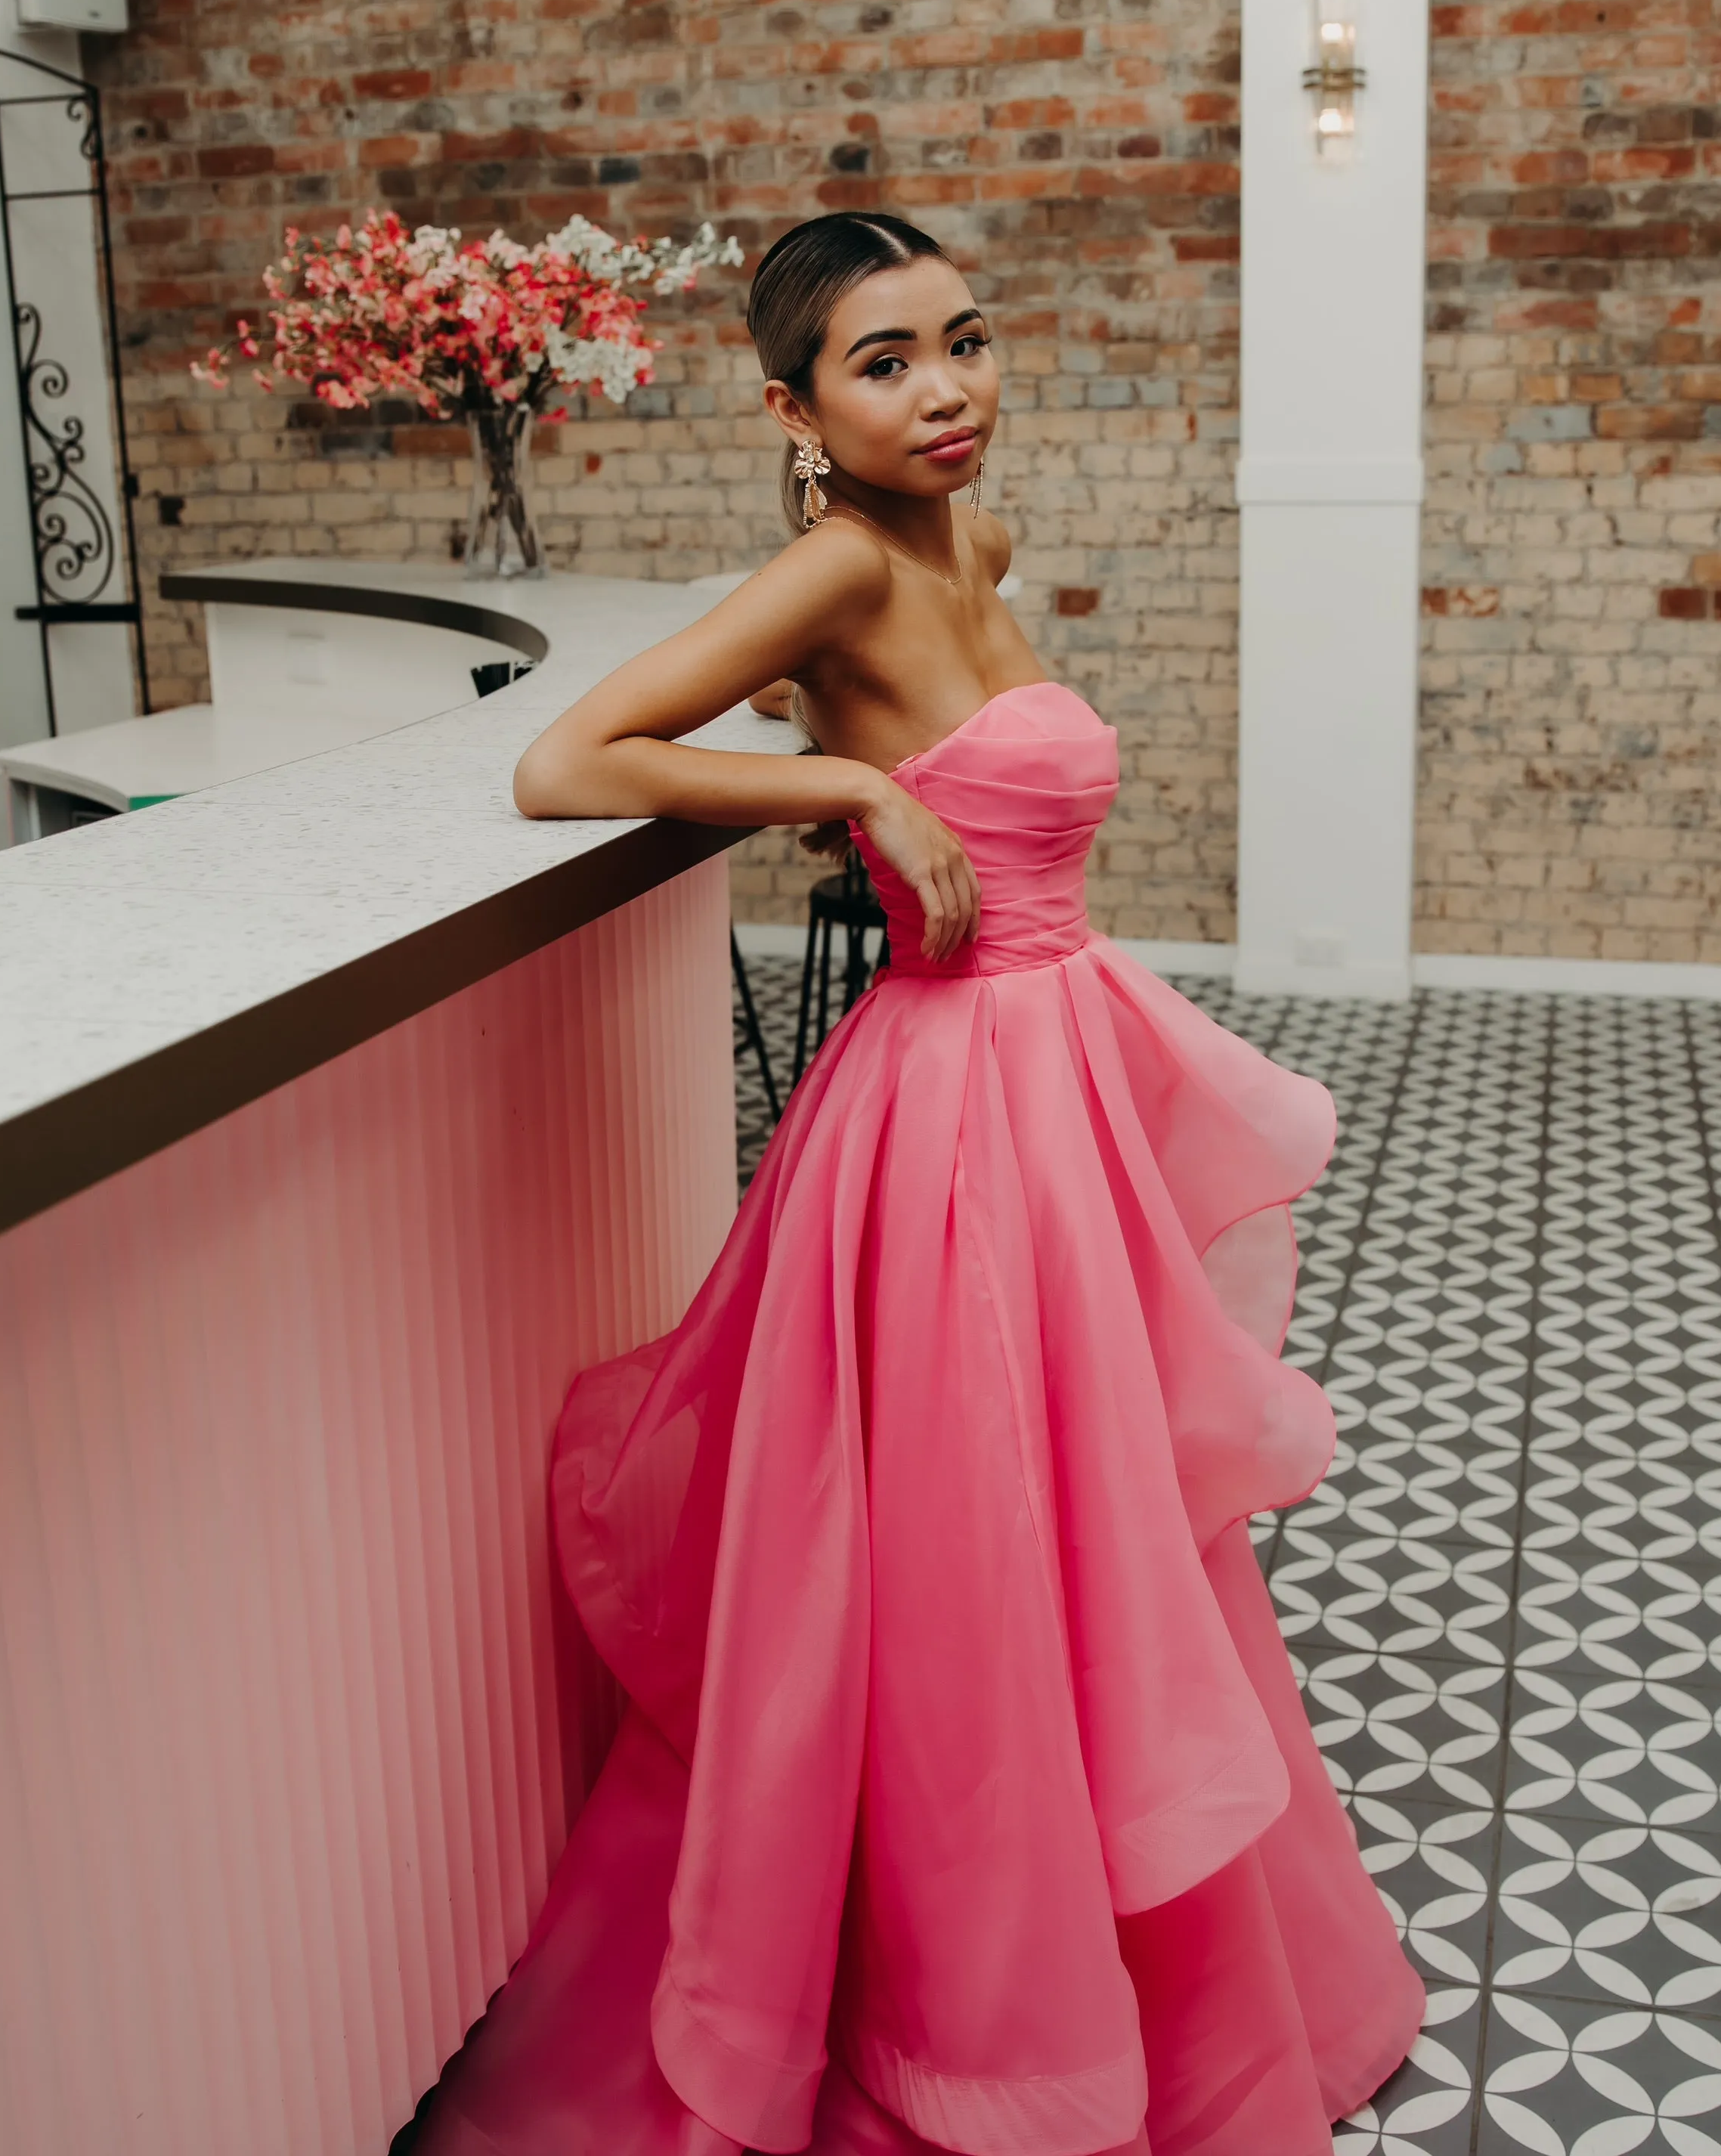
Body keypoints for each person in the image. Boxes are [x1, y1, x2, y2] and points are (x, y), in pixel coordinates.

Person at [410, 212, 1421, 2156]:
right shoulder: (833, 574)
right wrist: (850, 790)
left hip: (1061, 1088)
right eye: (885, 364)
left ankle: (1138, 2000)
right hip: (946, 1123)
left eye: (965, 342)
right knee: (956, 1567)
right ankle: (953, 2017)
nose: (947, 389)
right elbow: (568, 762)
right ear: (792, 406)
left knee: (1096, 1544)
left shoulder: (981, 540)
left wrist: (873, 768)